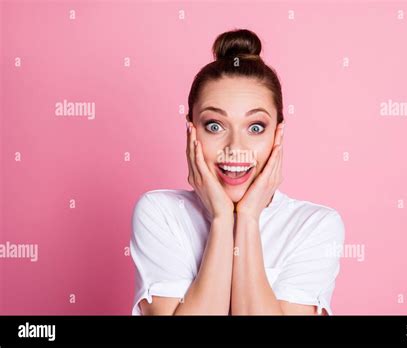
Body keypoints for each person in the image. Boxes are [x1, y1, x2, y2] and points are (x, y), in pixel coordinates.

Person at [130, 28, 345, 315]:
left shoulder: (315, 226)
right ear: (190, 129)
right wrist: (221, 219)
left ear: (277, 134)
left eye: (255, 127)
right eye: (215, 126)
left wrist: (247, 218)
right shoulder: (161, 213)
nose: (235, 148)